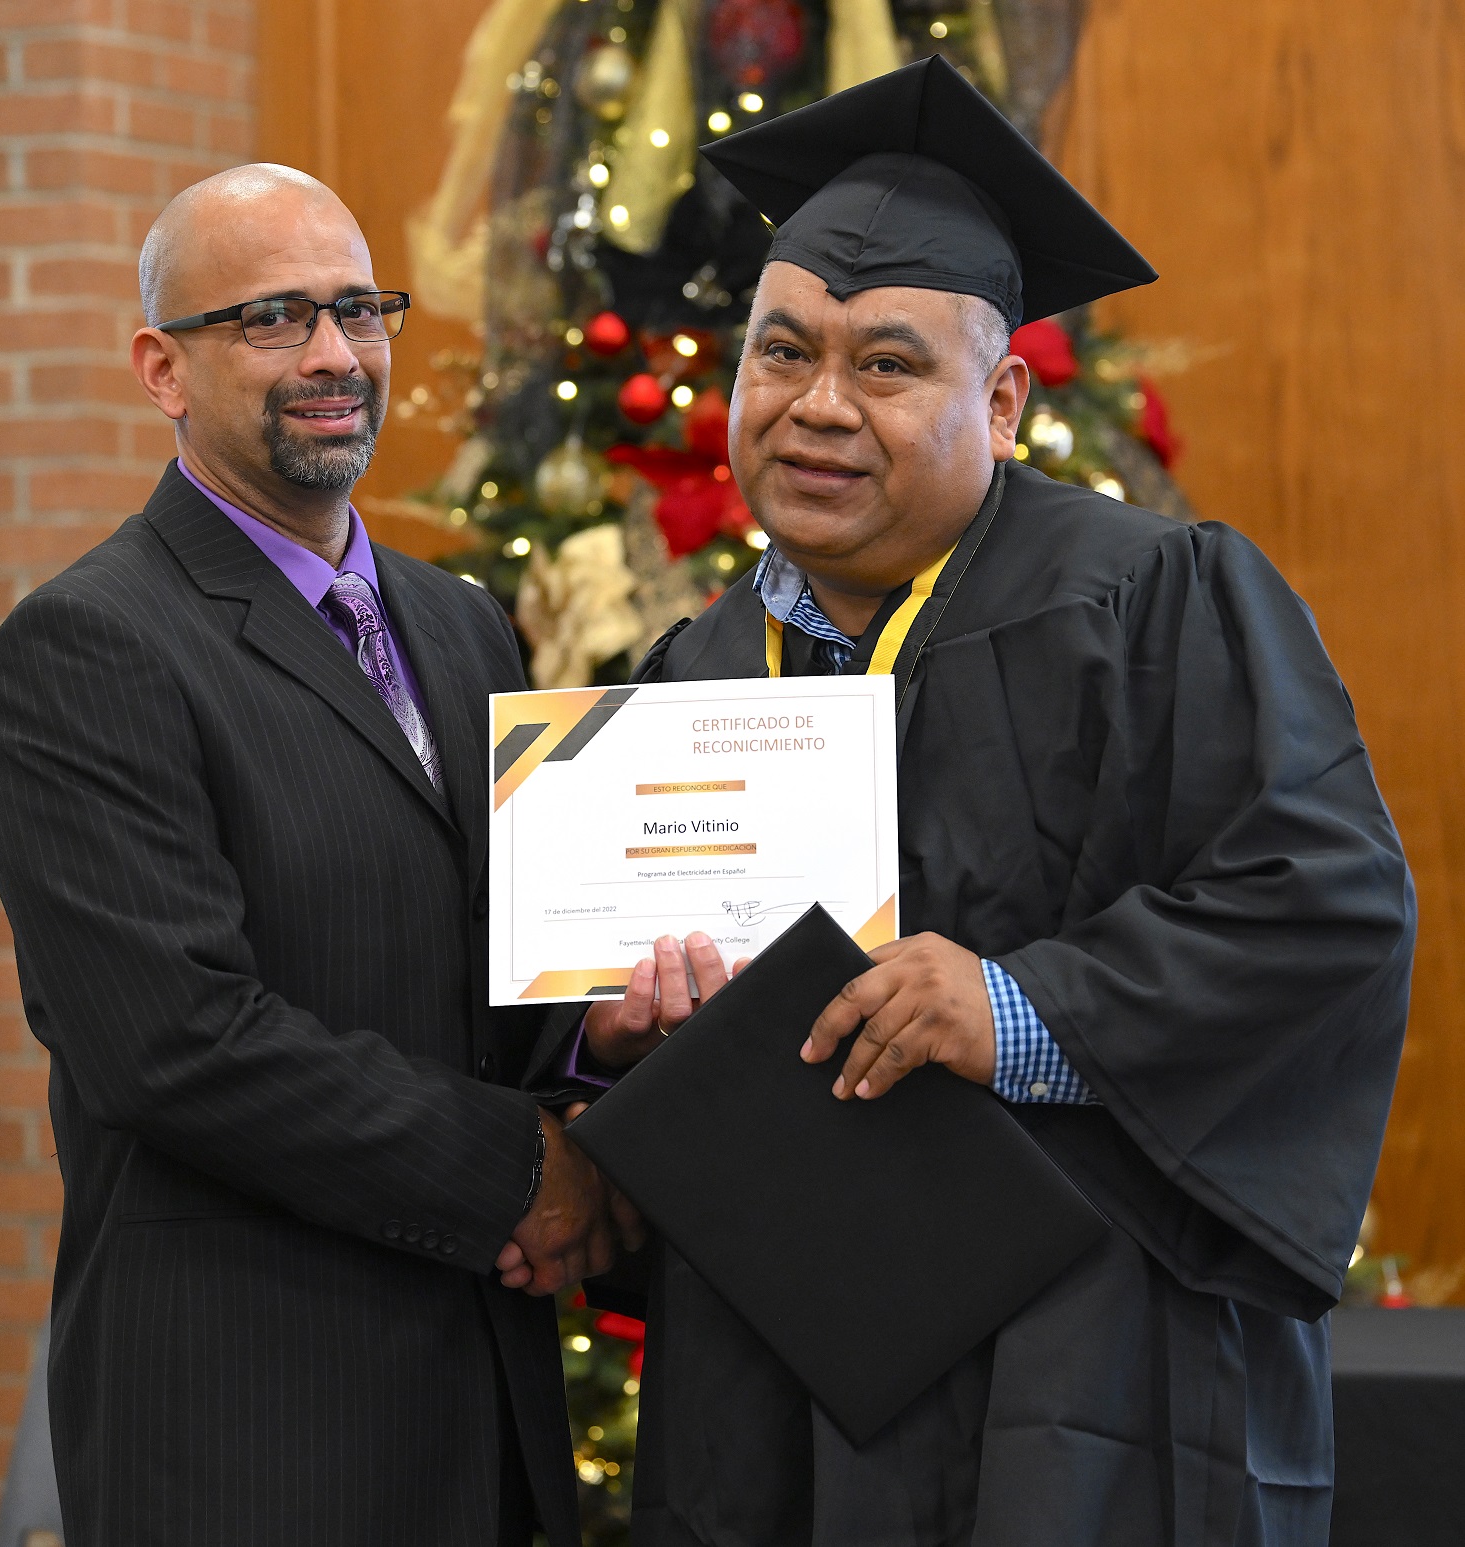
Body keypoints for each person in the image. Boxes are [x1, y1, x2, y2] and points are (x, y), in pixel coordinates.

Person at [542, 58, 1415, 1547]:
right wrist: (616, 1044)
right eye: (780, 352)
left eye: (886, 365)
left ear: (1000, 398)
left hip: (1089, 1369)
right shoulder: (680, 678)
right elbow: (601, 1050)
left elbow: (1322, 903)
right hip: (769, 1374)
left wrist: (1022, 1011)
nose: (818, 407)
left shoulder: (1155, 600)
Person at [0, 164, 629, 1547]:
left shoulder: (461, 626)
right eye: (271, 319)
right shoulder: (90, 646)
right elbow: (178, 1039)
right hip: (254, 1423)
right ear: (163, 368)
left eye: (356, 310)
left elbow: (501, 957)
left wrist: (607, 1046)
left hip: (481, 1398)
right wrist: (523, 1168)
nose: (333, 355)